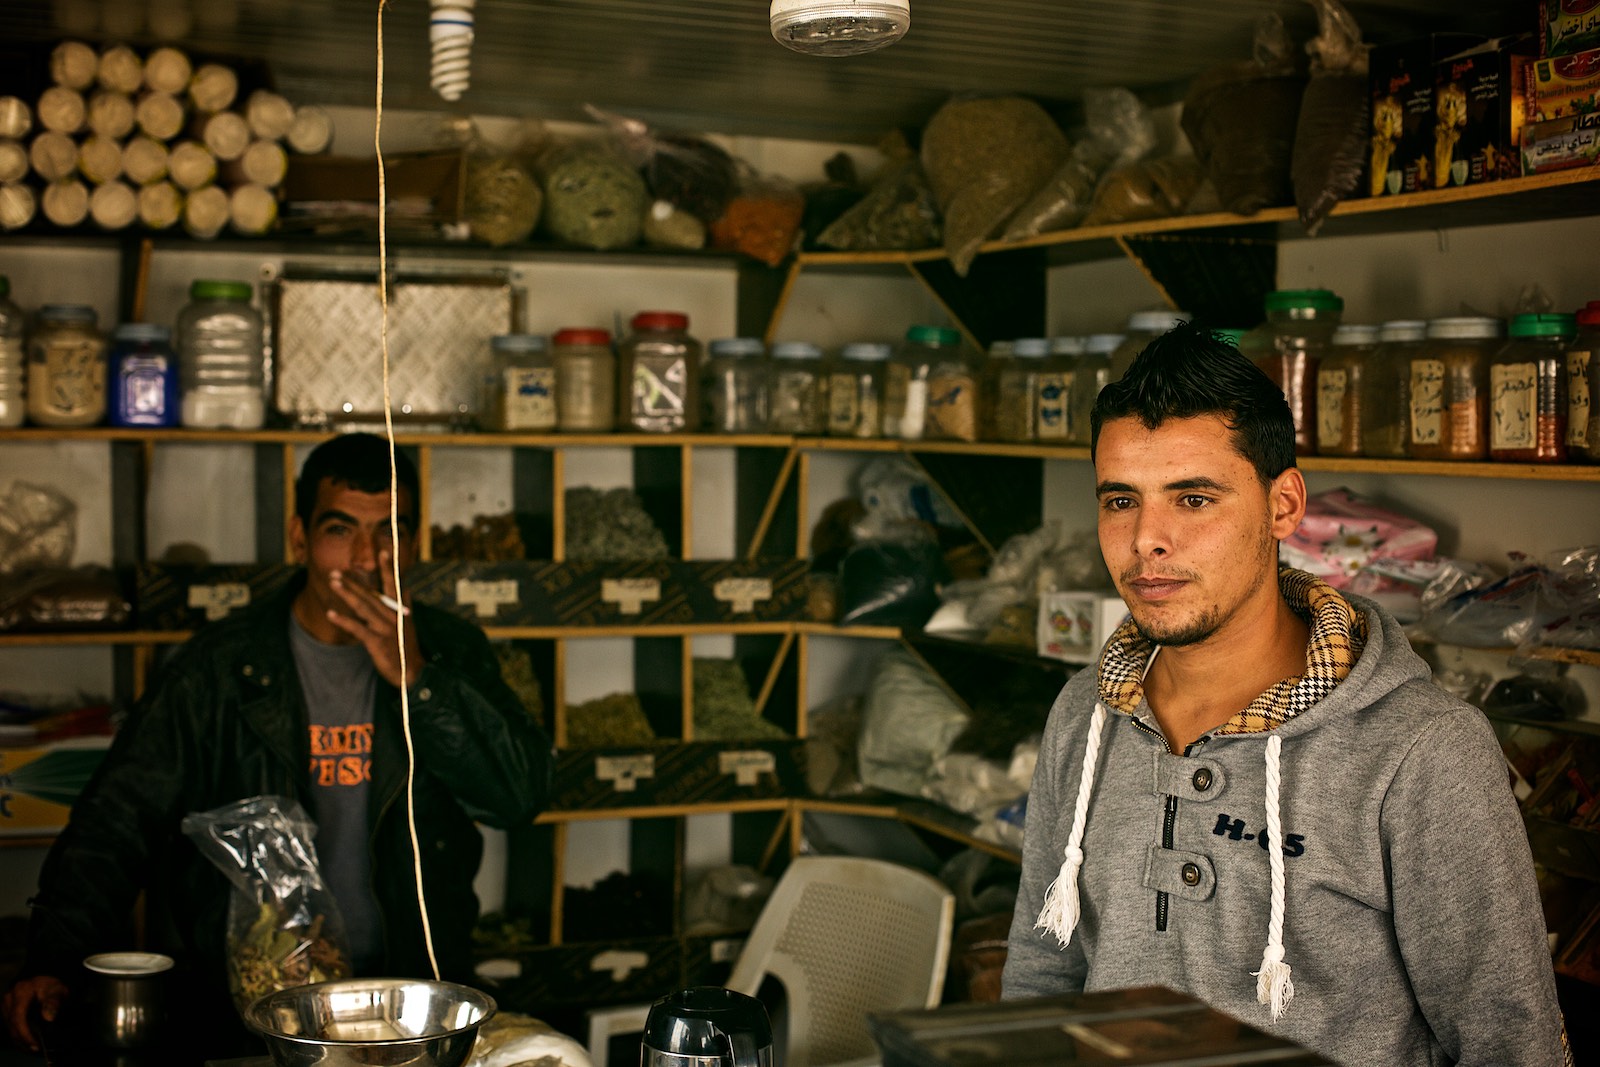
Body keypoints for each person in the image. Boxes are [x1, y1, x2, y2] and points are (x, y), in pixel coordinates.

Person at [1002, 324, 1568, 1065]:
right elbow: (1043, 978)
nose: (1147, 539)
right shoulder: (1084, 713)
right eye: (1120, 501)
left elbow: (1510, 1045)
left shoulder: (1421, 750)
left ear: (1283, 505)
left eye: (1194, 498)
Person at [3, 433, 553, 1057]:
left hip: (410, 998)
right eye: (340, 531)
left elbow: (520, 797)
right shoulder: (219, 667)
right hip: (249, 1002)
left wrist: (420, 683)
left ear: (415, 542)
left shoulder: (451, 653)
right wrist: (52, 956)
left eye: (390, 532)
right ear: (299, 539)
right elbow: (118, 817)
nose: (369, 558)